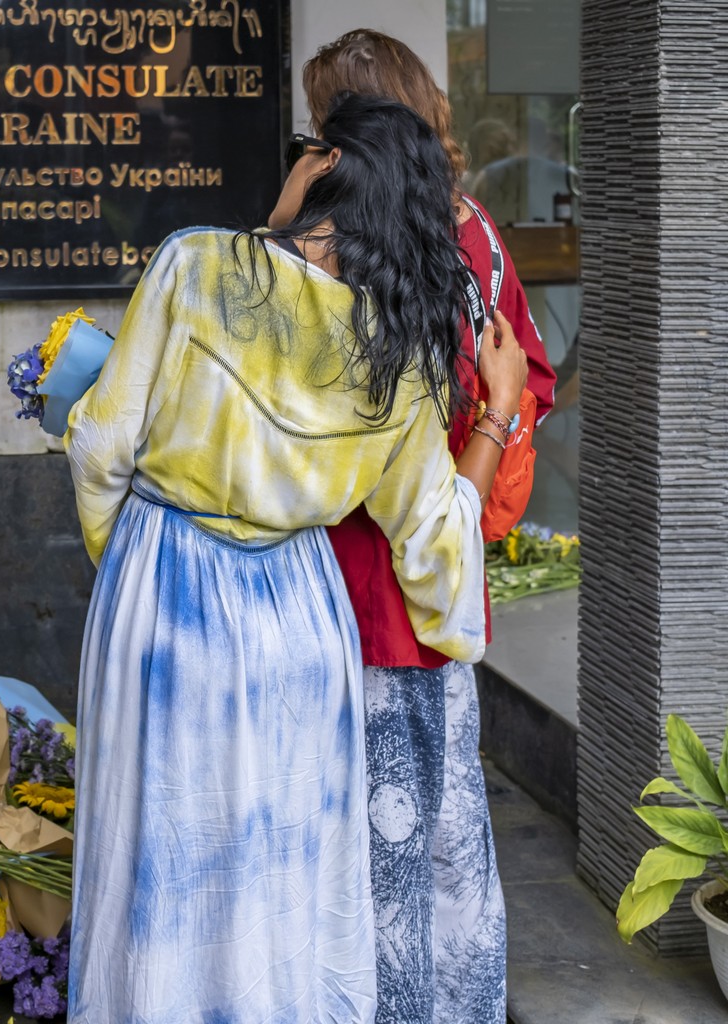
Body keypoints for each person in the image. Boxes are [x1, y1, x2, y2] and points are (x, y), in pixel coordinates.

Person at [65, 93, 528, 1023]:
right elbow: (434, 538)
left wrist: (129, 568)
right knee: (287, 873)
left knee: (163, 851)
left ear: (321, 166)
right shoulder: (398, 348)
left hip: (168, 598)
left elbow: (99, 443)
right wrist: (500, 412)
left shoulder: (194, 265)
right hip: (303, 622)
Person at [303, 30, 558, 1023]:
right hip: (440, 599)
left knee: (372, 852)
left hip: (359, 596)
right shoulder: (476, 235)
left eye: (322, 123)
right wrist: (492, 412)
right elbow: (526, 371)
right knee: (444, 841)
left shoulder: (343, 252)